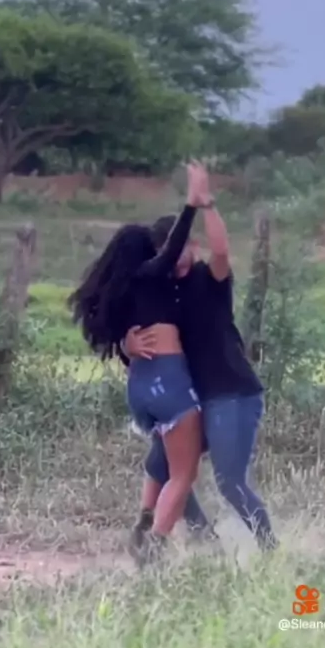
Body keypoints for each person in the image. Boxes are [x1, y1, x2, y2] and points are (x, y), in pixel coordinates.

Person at [122, 162, 278, 561]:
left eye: (180, 248)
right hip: (191, 397)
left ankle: (272, 552)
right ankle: (207, 544)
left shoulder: (211, 278)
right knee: (168, 469)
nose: (175, 257)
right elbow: (132, 328)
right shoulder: (161, 290)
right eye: (167, 252)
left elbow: (223, 251)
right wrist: (127, 343)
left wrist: (206, 204)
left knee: (229, 482)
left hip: (230, 391)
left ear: (192, 245)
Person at [69, 165, 210, 561]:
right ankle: (153, 546)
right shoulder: (152, 278)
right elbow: (171, 251)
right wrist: (191, 205)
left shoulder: (121, 295)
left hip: (140, 390)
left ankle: (170, 528)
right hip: (168, 383)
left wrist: (125, 344)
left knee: (168, 459)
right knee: (183, 472)